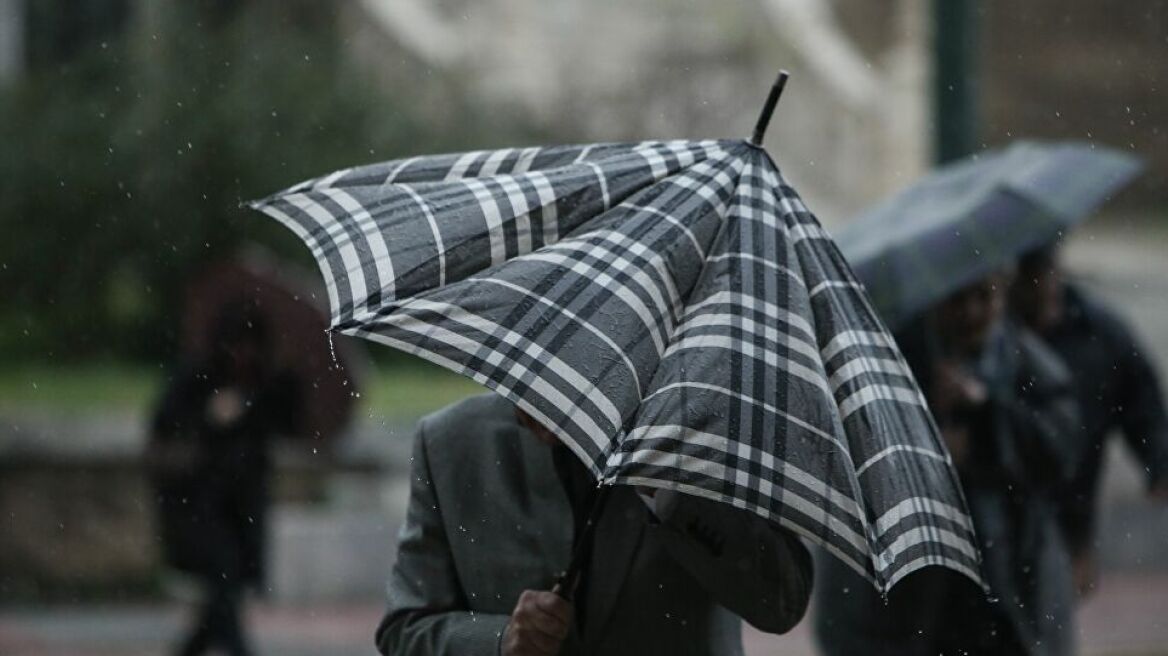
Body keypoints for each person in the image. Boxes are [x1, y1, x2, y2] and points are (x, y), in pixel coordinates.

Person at [375, 392, 813, 656]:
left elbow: (781, 601)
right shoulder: (450, 442)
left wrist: (667, 490)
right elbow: (405, 629)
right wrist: (500, 640)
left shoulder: (709, 434)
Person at [814, 270, 1080, 656]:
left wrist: (987, 413)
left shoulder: (1031, 365)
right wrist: (925, 447)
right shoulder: (885, 361)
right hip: (910, 607)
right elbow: (845, 462)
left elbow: (1059, 451)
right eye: (957, 299)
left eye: (984, 297)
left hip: (1010, 593)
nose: (971, 312)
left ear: (1002, 294)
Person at [1012, 245, 1168, 596]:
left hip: (1072, 510)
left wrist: (1159, 463)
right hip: (1007, 504)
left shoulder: (1098, 332)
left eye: (1040, 273)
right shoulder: (994, 333)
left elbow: (1141, 400)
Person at [147, 300, 299, 656]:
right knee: (223, 577)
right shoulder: (197, 377)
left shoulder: (268, 383)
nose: (242, 354)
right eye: (236, 344)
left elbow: (290, 424)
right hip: (201, 500)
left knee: (227, 588)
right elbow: (166, 428)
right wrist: (209, 417)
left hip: (245, 500)